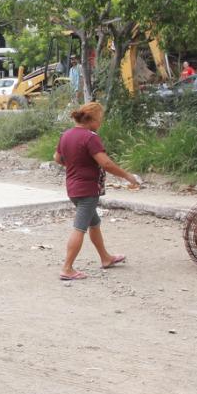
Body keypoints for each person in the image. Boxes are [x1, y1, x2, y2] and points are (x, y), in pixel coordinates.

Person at [54, 101, 141, 281]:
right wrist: (128, 176)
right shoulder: (90, 137)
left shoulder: (66, 135)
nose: (100, 123)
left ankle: (106, 258)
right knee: (80, 228)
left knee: (94, 223)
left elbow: (57, 158)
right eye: (100, 119)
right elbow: (106, 163)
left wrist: (75, 166)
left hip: (73, 188)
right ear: (91, 119)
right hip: (87, 189)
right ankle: (67, 268)